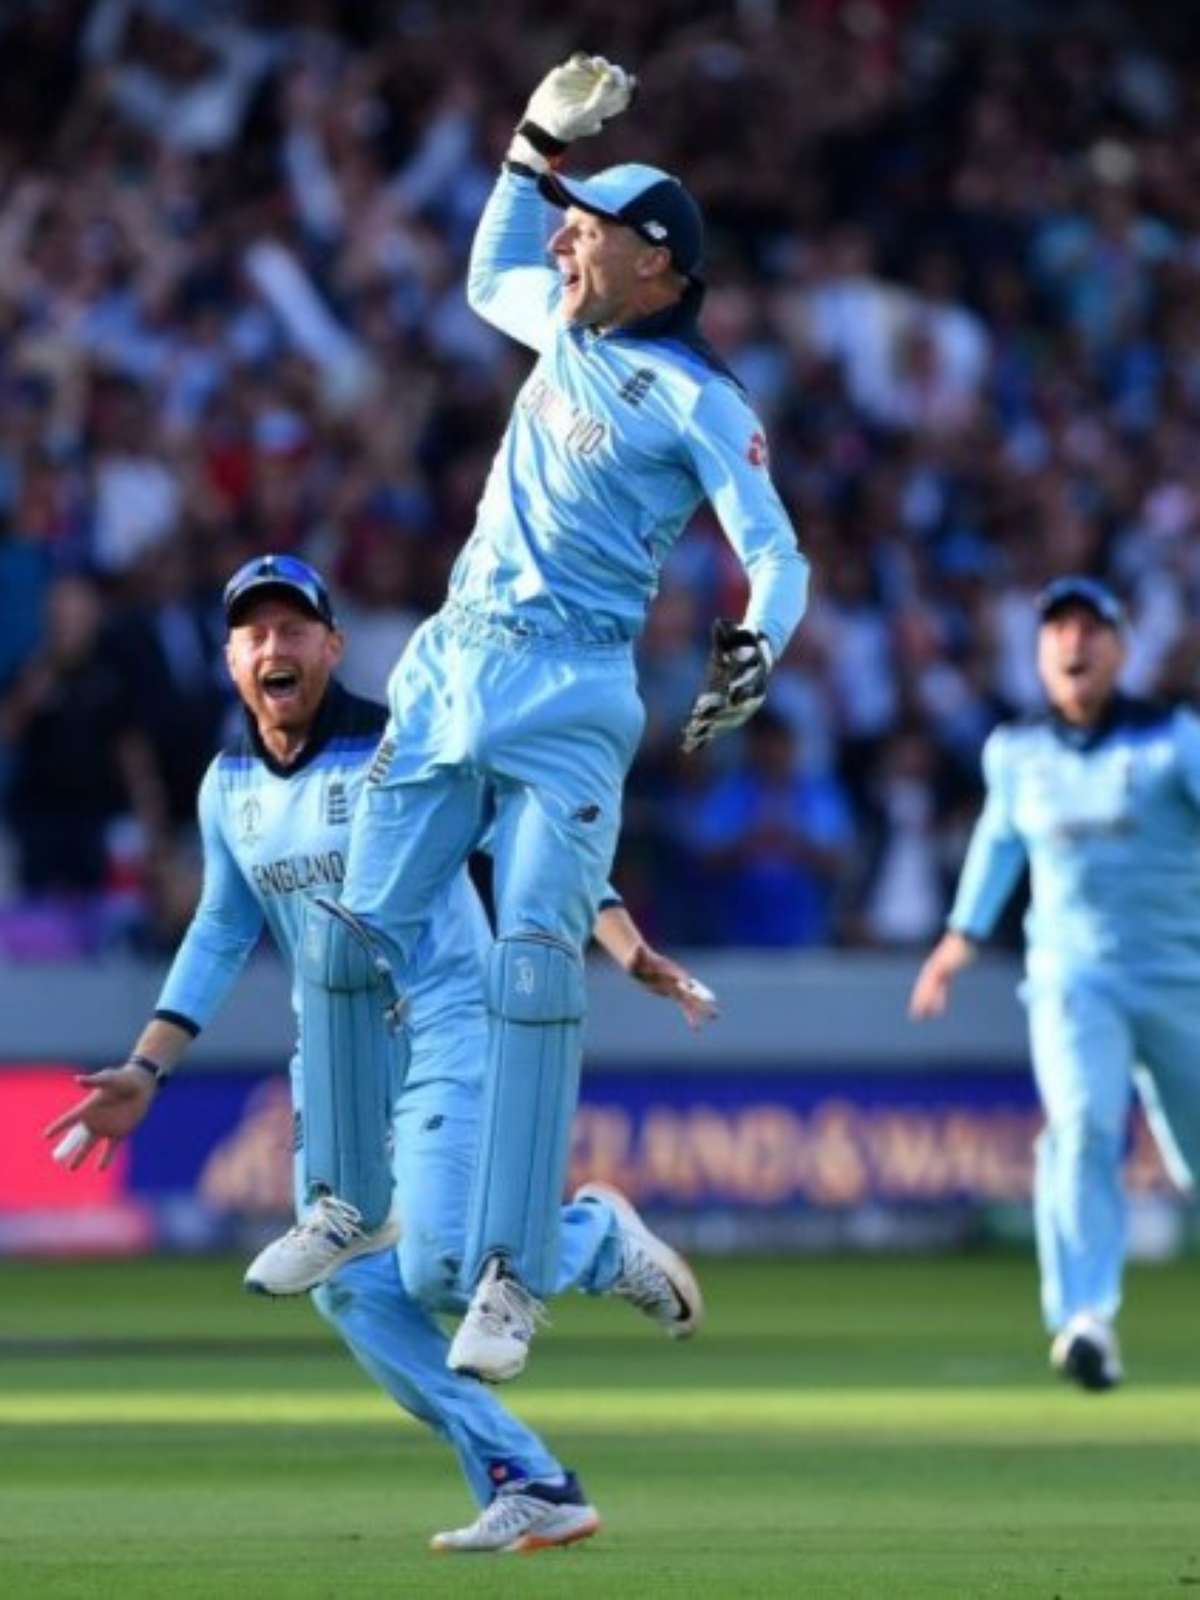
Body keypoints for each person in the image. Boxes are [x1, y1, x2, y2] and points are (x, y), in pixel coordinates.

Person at [251, 53, 808, 1384]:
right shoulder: (564, 324)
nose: (566, 234)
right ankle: (340, 1195)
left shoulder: (699, 396)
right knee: (347, 941)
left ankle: (515, 1278)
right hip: (453, 665)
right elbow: (482, 263)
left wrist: (753, 642)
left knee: (533, 971)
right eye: (571, 214)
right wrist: (528, 141)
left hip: (570, 691)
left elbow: (775, 550)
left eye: (594, 222)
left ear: (658, 262)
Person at [44, 554, 716, 1553]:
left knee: (446, 1271)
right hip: (340, 1054)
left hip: (451, 1018)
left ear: (333, 646)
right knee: (353, 1284)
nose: (275, 647)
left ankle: (589, 1240)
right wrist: (147, 1067)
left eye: (294, 629)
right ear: (231, 657)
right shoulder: (227, 786)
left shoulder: (410, 747)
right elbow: (222, 930)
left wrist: (623, 946)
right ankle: (527, 1476)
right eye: (254, 632)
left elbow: (527, 833)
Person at [908, 575, 1200, 1391]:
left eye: (1091, 629)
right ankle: (1084, 1319)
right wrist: (958, 940)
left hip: (1185, 978)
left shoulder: (1174, 739)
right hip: (1075, 982)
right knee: (1078, 1129)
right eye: (1058, 632)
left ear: (1121, 647)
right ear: (1039, 654)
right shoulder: (1017, 752)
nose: (1074, 643)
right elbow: (998, 846)